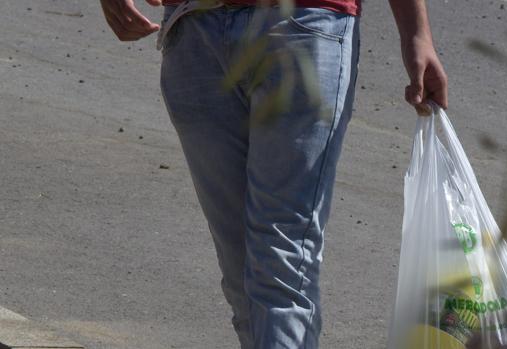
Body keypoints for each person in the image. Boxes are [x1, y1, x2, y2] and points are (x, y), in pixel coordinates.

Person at [99, 0, 447, 348]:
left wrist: (416, 33)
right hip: (196, 29)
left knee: (279, 269)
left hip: (301, 22)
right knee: (245, 278)